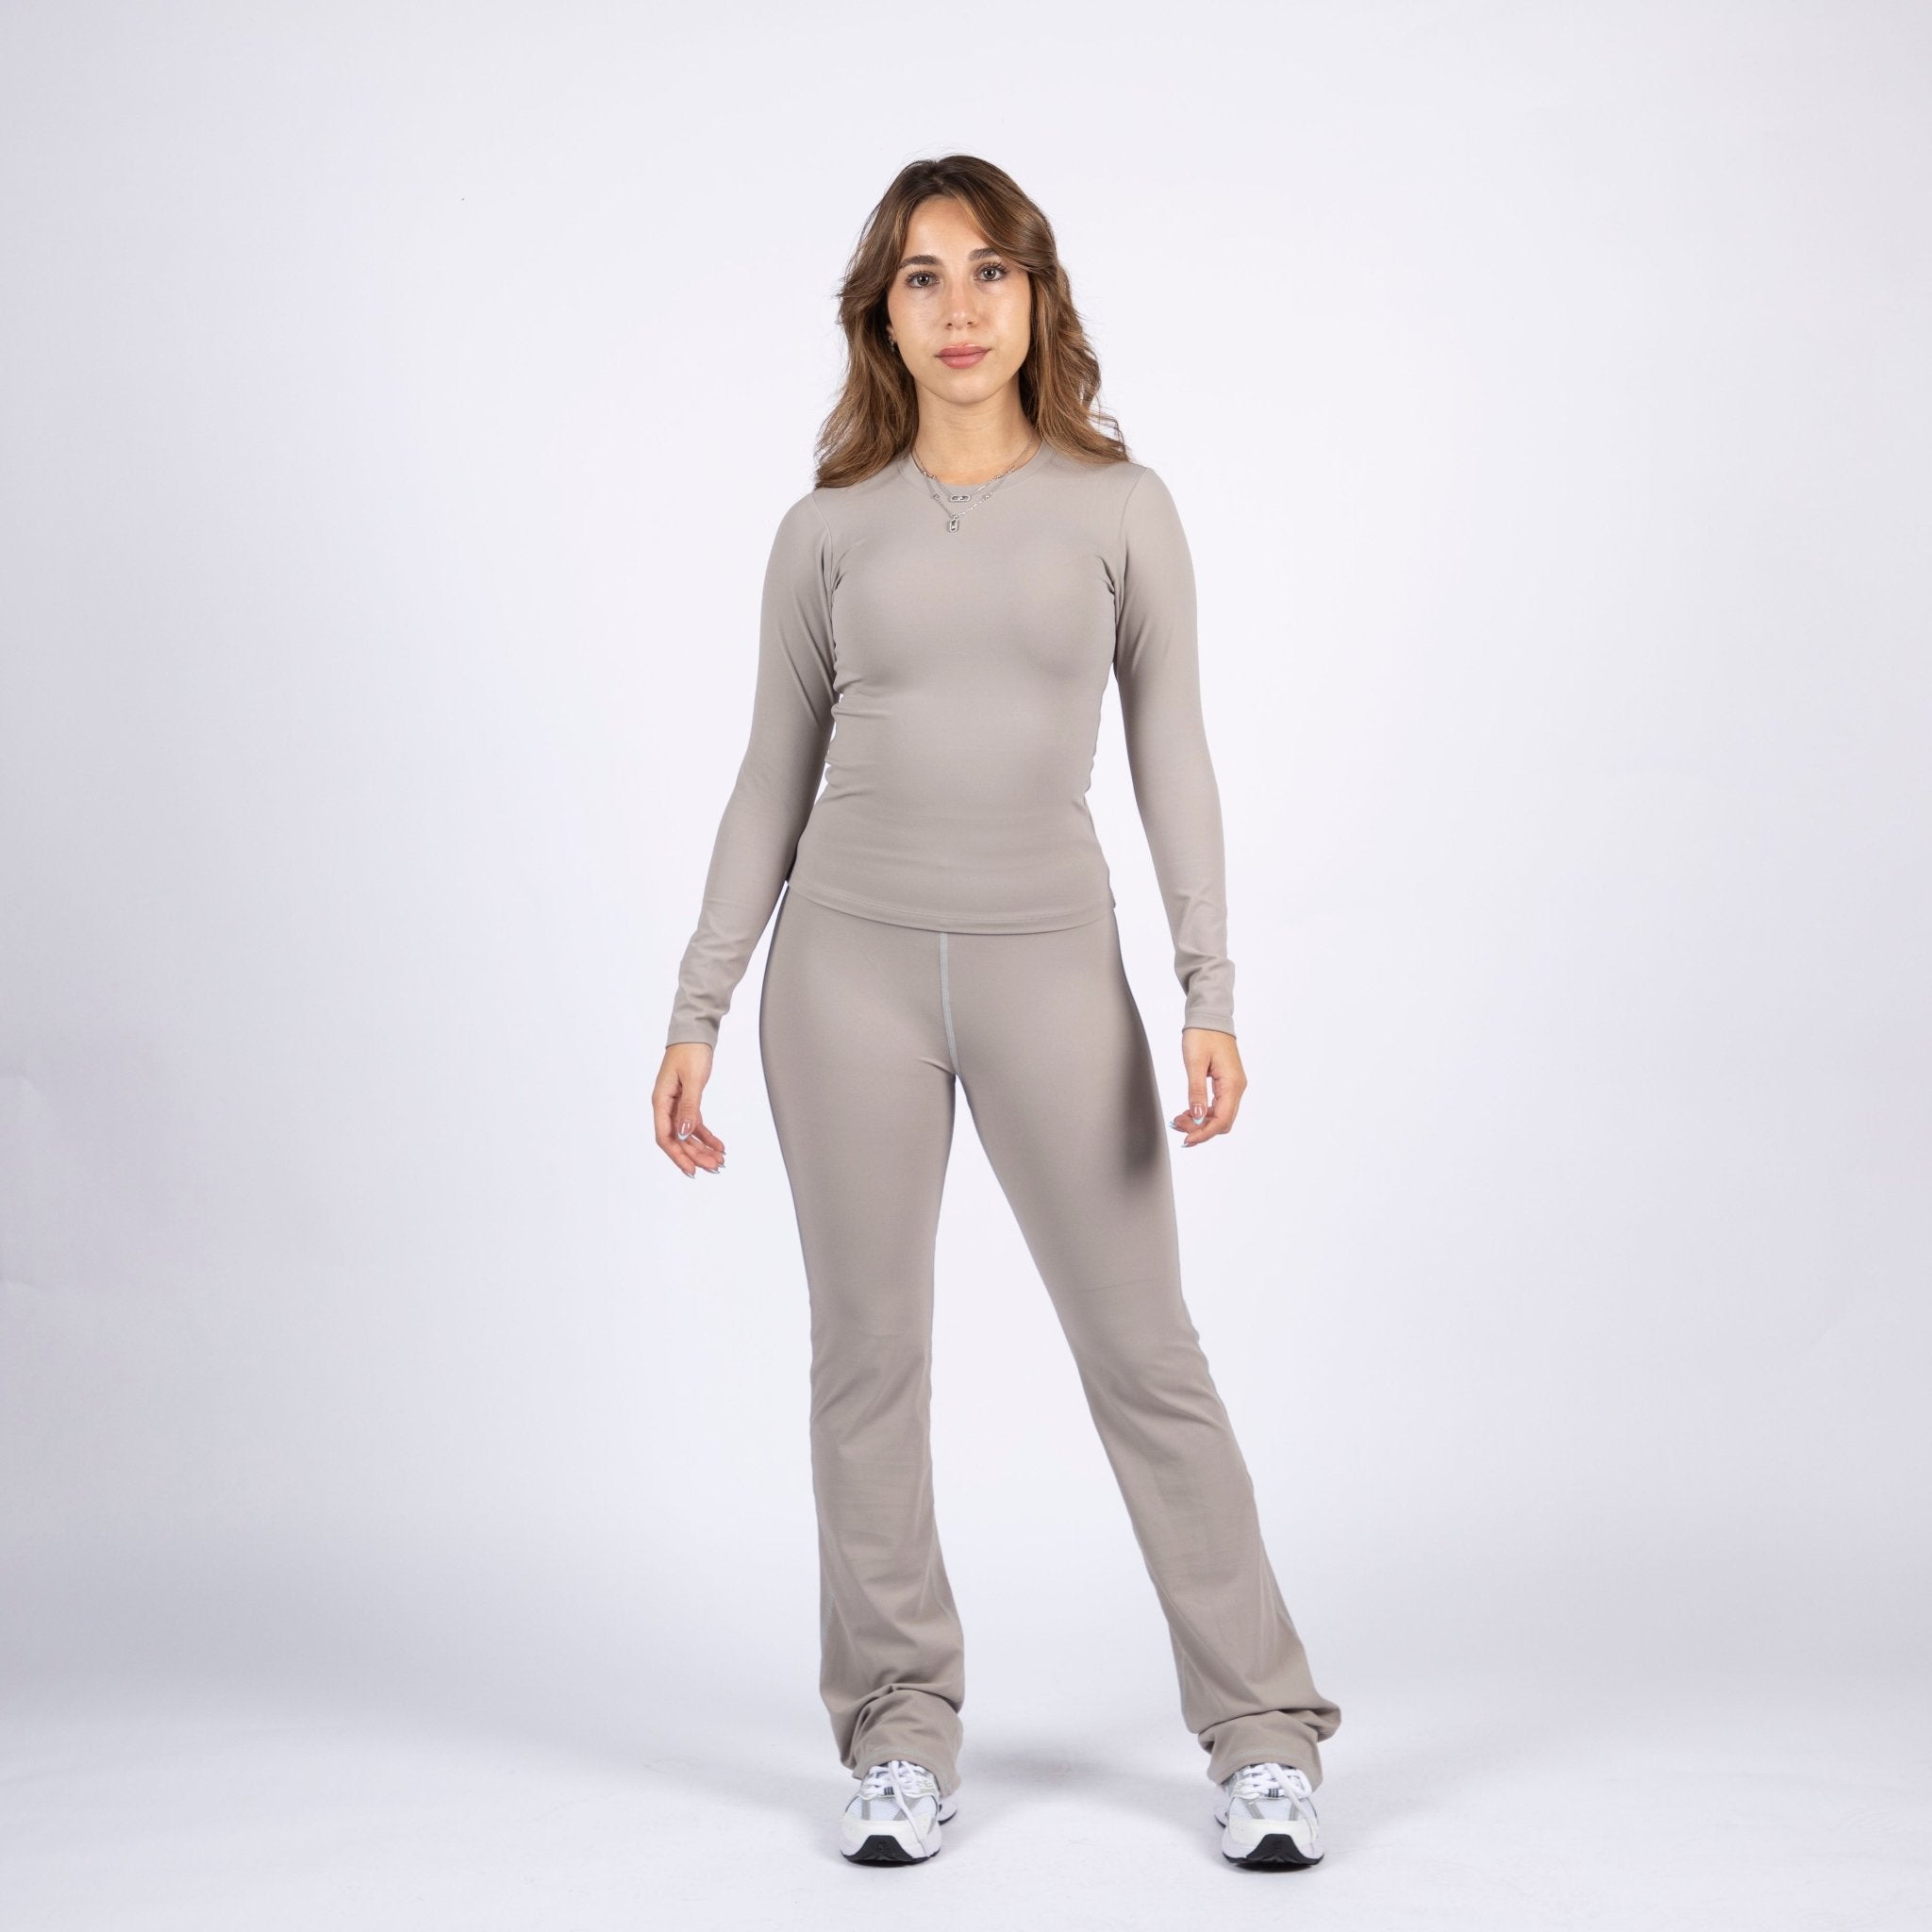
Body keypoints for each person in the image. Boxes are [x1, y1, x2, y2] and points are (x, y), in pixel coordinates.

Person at [653, 154, 1341, 1869]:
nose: (958, 308)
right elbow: (768, 778)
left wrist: (1208, 984)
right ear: (880, 316)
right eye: (921, 277)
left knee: (1145, 1353)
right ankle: (898, 1730)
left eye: (989, 272)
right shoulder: (827, 532)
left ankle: (1263, 1731)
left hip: (1051, 969)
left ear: (1038, 297)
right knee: (867, 1359)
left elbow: (1172, 751)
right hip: (846, 973)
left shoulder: (1122, 508)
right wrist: (697, 1004)